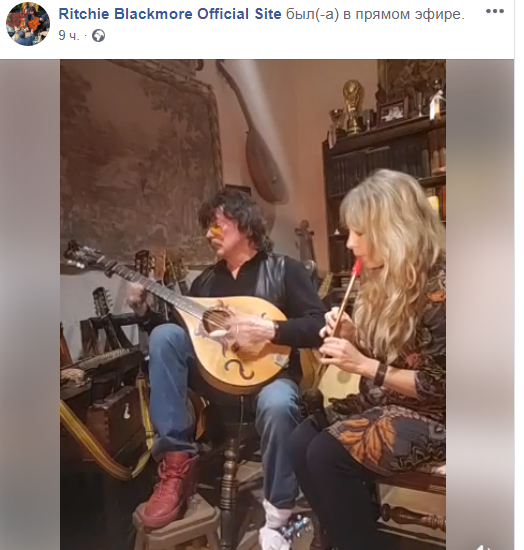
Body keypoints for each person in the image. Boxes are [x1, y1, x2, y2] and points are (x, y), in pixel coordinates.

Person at [127, 189, 326, 547]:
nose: (208, 234)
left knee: (278, 404)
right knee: (165, 335)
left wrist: (272, 329)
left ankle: (280, 514)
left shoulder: (284, 270)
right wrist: (144, 313)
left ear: (244, 224)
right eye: (207, 227)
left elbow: (319, 326)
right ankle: (176, 464)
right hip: (218, 384)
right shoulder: (204, 283)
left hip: (270, 380)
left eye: (216, 226)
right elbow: (183, 340)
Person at [289, 169, 446, 550]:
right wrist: (354, 335)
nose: (351, 243)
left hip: (441, 414)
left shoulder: (443, 288)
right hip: (393, 401)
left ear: (393, 230)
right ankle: (345, 534)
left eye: (360, 232)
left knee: (326, 455)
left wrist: (364, 365)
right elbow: (397, 353)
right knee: (299, 442)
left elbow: (440, 385)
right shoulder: (382, 279)